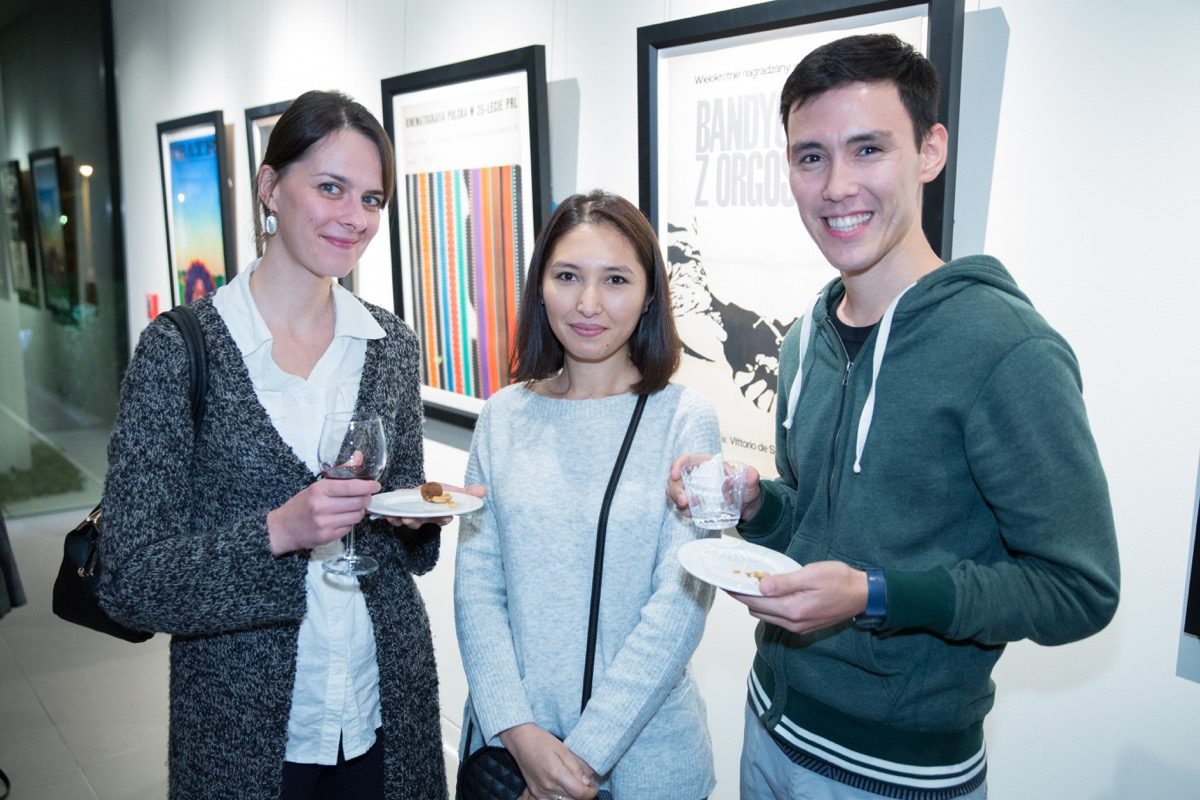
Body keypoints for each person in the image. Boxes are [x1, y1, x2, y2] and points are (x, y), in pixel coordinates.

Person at [668, 34, 1120, 799]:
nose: (836, 185)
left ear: (930, 151)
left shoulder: (1007, 349)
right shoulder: (805, 336)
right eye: (811, 157)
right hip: (770, 724)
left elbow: (1078, 589)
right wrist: (756, 505)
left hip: (897, 772)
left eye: (868, 149)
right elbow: (818, 527)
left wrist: (875, 595)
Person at [99, 90, 456, 799]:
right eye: (331, 188)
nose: (354, 217)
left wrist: (413, 517)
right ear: (269, 187)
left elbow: (402, 529)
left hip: (385, 709)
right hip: (244, 732)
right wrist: (278, 533)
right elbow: (129, 580)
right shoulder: (181, 351)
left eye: (372, 199)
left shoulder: (389, 345)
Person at [455, 190, 720, 800]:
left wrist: (576, 764)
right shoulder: (502, 416)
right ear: (540, 286)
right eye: (568, 276)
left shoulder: (685, 420)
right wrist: (521, 737)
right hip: (508, 757)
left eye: (616, 279)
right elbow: (477, 586)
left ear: (650, 294)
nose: (588, 304)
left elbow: (679, 608)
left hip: (644, 766)